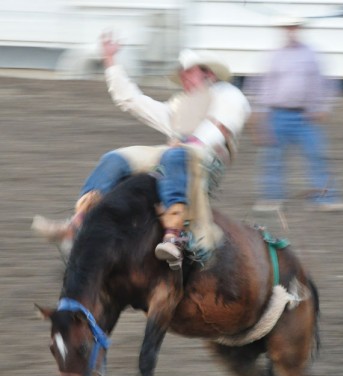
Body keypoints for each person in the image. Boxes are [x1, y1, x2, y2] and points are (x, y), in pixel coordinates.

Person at [32, 34, 251, 269]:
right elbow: (132, 100)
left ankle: (174, 236)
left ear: (208, 74)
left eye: (189, 72)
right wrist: (110, 60)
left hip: (206, 160)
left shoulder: (229, 95)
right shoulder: (180, 105)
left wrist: (191, 144)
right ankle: (78, 223)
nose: (183, 77)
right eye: (182, 74)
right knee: (115, 158)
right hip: (172, 155)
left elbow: (221, 126)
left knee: (174, 155)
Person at [249, 17, 343, 212]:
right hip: (277, 114)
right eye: (288, 27)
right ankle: (271, 197)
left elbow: (326, 82)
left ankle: (325, 197)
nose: (291, 31)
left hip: (305, 115)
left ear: (299, 29)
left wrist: (324, 106)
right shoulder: (273, 55)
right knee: (273, 158)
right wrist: (259, 113)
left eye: (294, 27)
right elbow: (263, 84)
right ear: (283, 30)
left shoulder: (312, 54)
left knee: (317, 155)